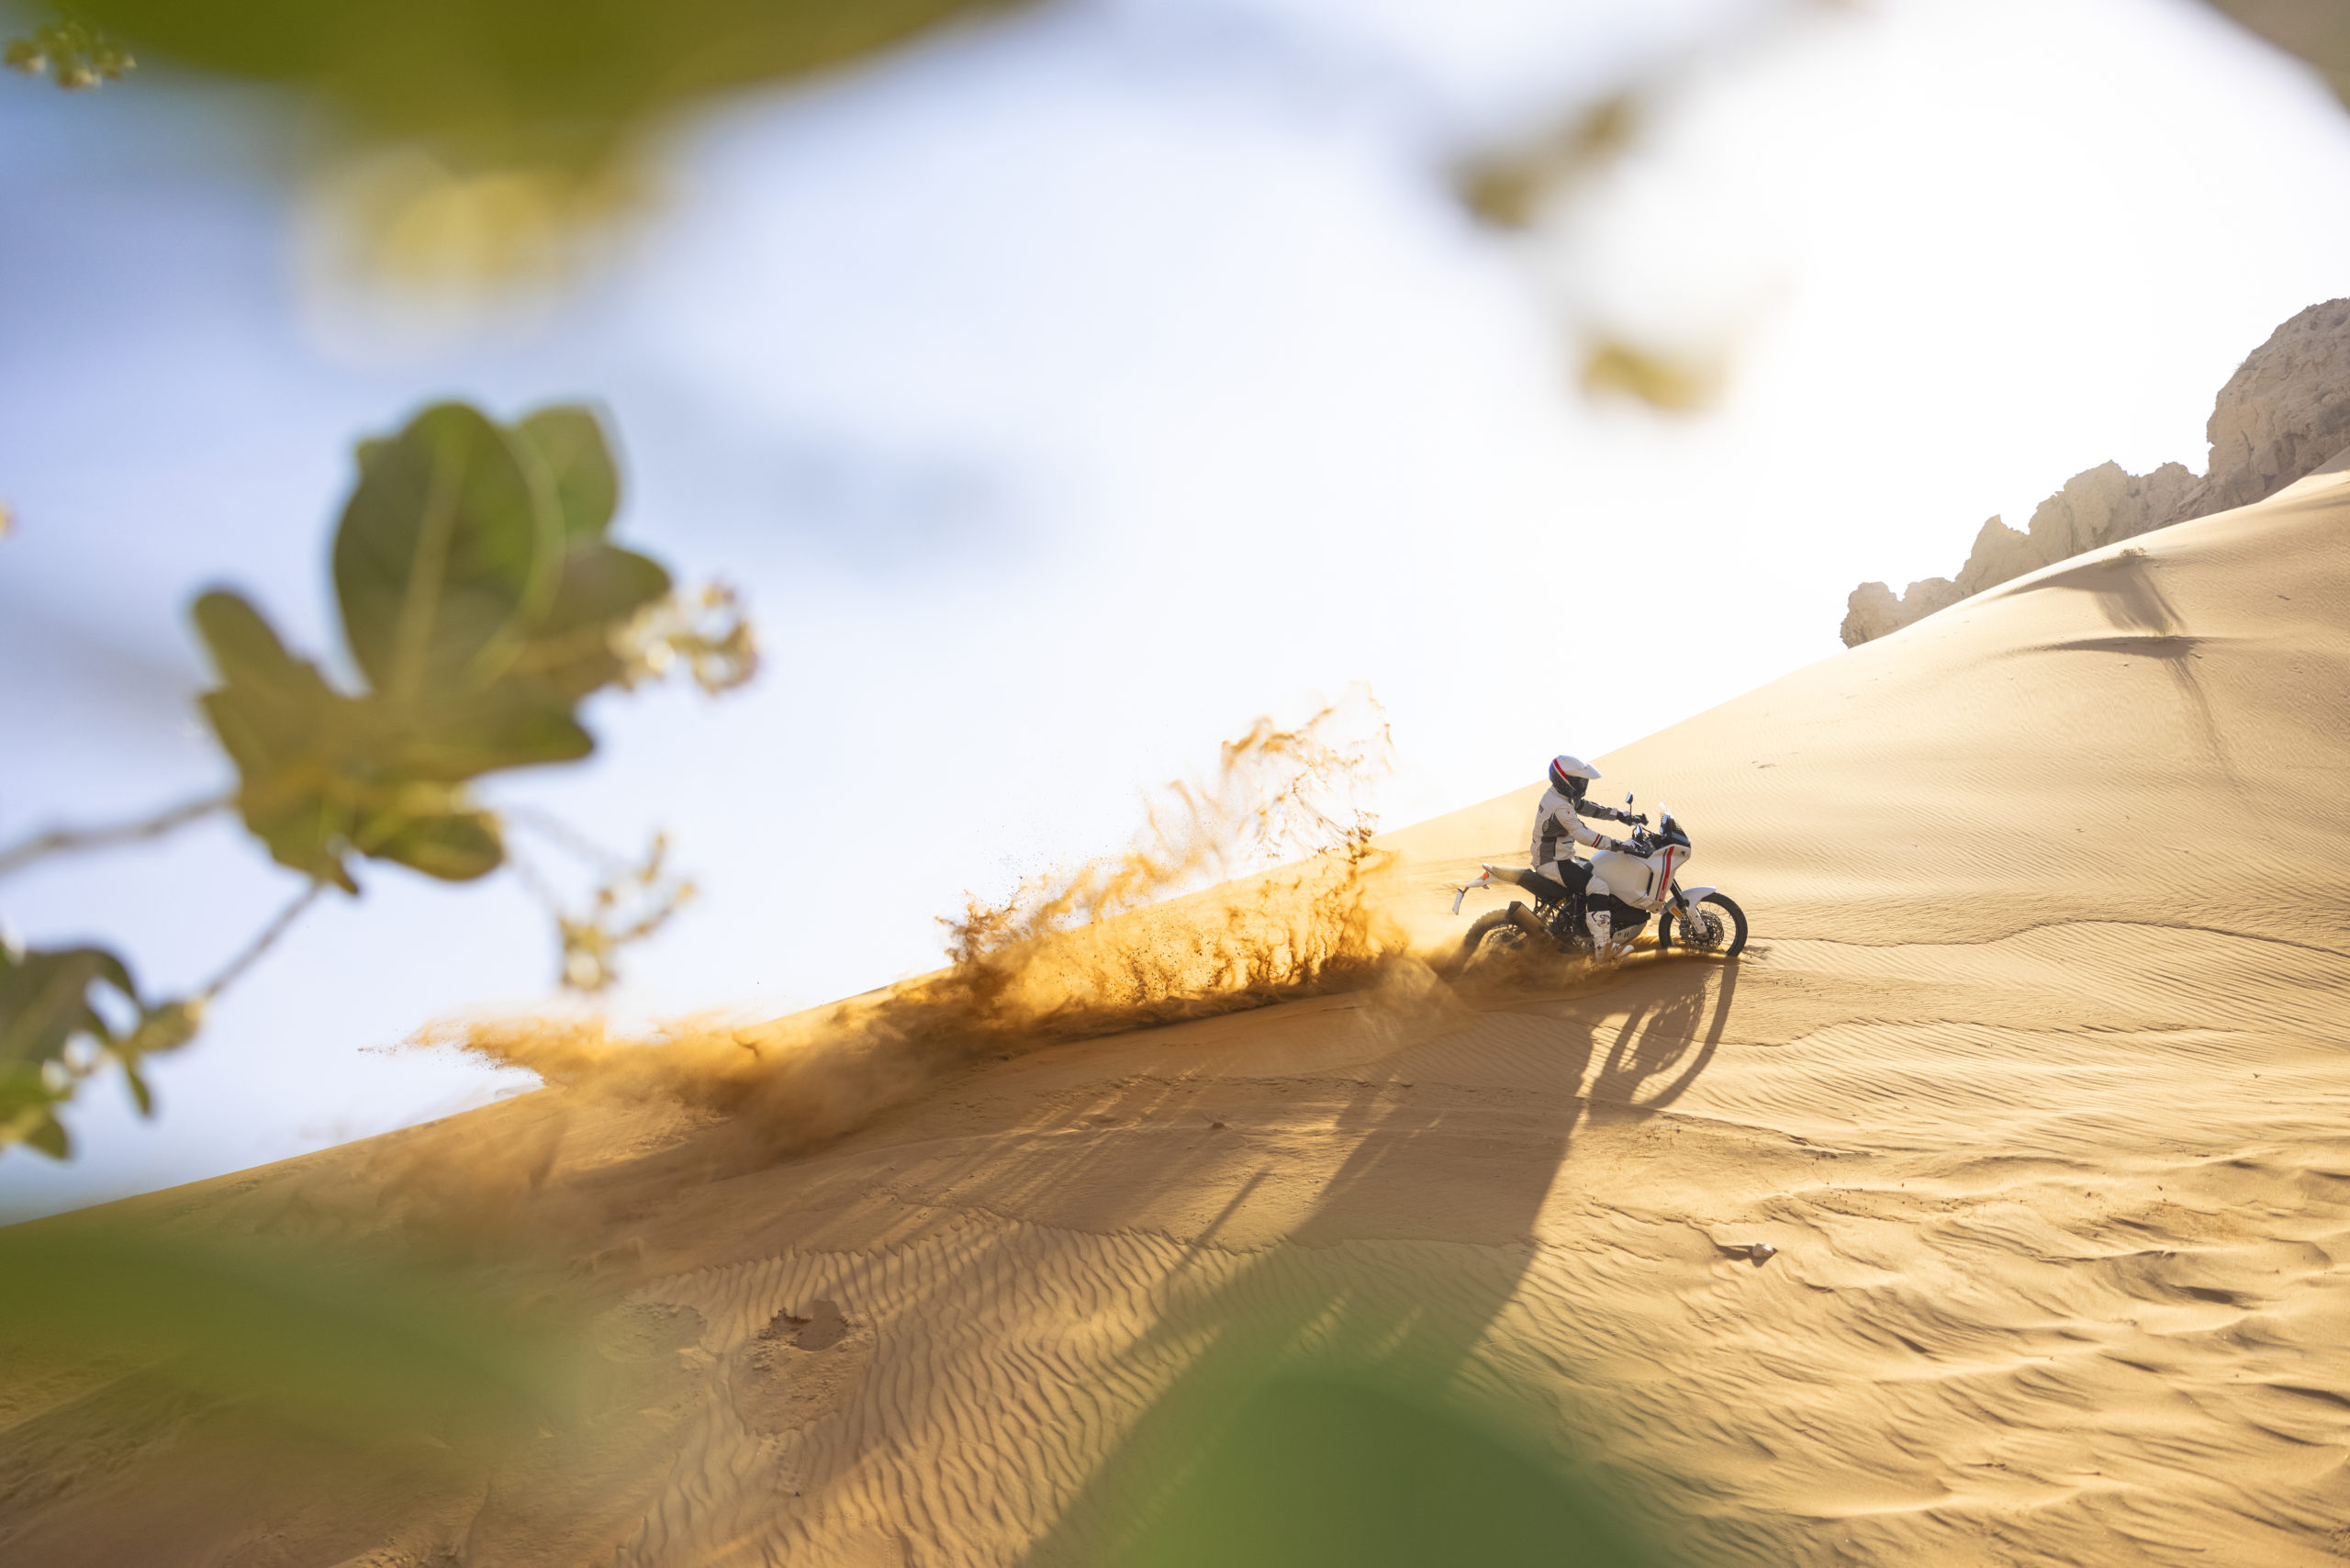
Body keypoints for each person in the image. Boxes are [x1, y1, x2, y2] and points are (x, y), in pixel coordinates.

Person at [1487, 754, 1643, 950]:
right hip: (1553, 862)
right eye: (1578, 781)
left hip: (1560, 857)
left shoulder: (1558, 796)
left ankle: (1580, 927)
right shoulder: (1560, 806)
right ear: (1565, 781)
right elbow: (1583, 835)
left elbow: (1587, 807)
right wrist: (1618, 845)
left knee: (1595, 872)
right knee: (1598, 887)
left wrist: (1620, 815)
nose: (1582, 786)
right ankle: (1603, 946)